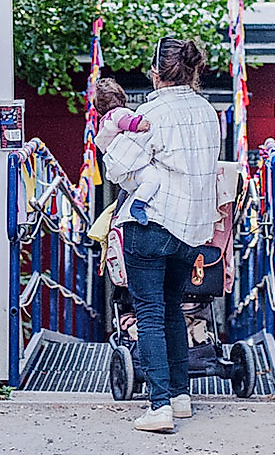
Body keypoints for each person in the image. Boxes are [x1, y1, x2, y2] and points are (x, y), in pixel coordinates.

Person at [103, 37, 221, 433]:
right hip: (192, 230)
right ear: (194, 70)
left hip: (150, 225)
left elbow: (117, 167)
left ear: (156, 72)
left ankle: (159, 406)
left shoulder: (152, 111)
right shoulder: (209, 112)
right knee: (173, 306)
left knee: (149, 312)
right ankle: (180, 395)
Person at [92, 77, 157, 225]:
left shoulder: (103, 124)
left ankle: (124, 209)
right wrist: (141, 124)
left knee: (132, 189)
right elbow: (127, 122)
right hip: (133, 166)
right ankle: (138, 206)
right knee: (153, 180)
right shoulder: (118, 113)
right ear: (121, 98)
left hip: (121, 174)